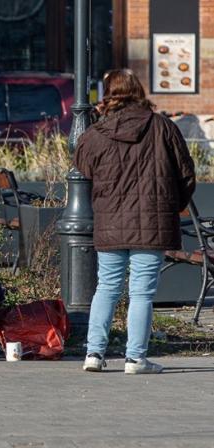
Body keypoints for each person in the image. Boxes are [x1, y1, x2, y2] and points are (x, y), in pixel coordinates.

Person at [76, 69, 196, 375]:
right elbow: (186, 173)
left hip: (111, 220)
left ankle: (94, 353)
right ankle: (135, 358)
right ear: (137, 90)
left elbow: (82, 165)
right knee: (142, 292)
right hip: (152, 220)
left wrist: (94, 120)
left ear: (107, 94)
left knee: (107, 287)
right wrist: (172, 206)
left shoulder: (97, 133)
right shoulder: (162, 126)